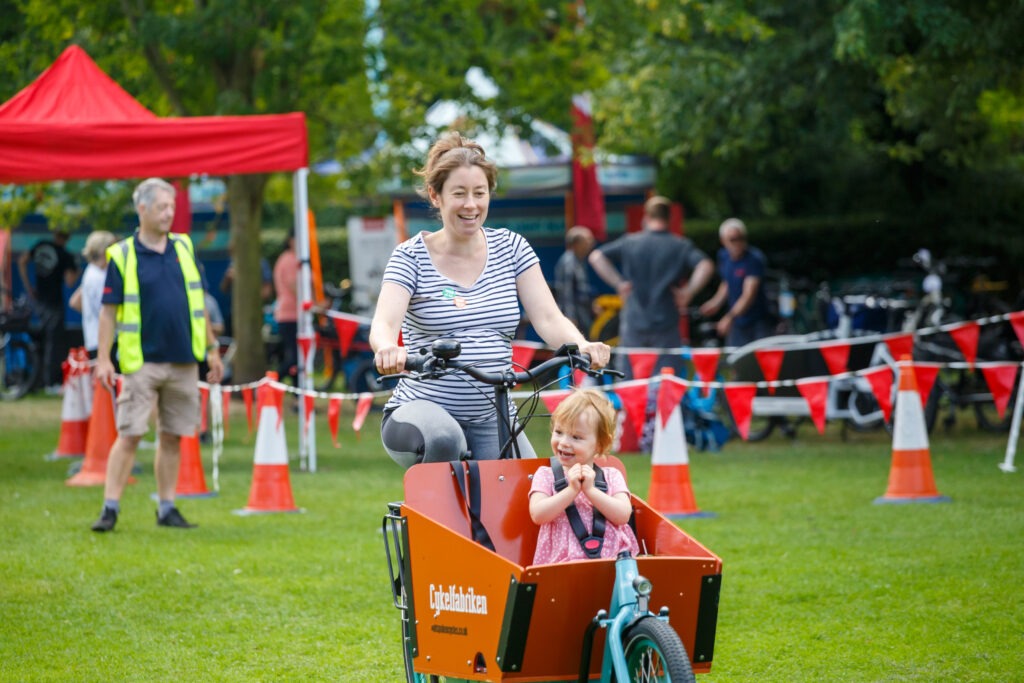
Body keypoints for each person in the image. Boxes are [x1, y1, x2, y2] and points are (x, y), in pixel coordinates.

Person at [370, 131, 611, 467]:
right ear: (435, 195)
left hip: (493, 414)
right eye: (459, 194)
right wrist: (387, 349)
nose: (471, 204)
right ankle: (439, 517)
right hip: (421, 412)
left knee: (535, 491)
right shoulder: (410, 257)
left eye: (479, 193)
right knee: (444, 439)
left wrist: (581, 345)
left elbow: (548, 318)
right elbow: (384, 323)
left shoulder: (511, 248)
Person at [90, 178, 223, 533]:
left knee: (173, 436)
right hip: (141, 363)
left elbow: (200, 304)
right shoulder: (122, 254)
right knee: (130, 433)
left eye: (171, 208)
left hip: (183, 360)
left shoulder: (184, 247)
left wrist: (212, 349)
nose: (169, 214)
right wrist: (103, 358)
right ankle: (110, 508)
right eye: (162, 207)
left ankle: (166, 507)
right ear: (142, 209)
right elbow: (108, 312)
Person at [589, 195, 714, 369]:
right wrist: (689, 291)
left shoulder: (630, 242)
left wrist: (619, 283)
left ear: (646, 217)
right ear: (669, 218)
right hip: (666, 323)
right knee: (667, 381)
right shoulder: (680, 245)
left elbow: (596, 257)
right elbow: (706, 265)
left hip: (633, 321)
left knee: (631, 381)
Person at [529, 389, 639, 564]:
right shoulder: (546, 475)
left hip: (612, 563)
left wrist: (590, 490)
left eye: (576, 437)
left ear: (599, 444)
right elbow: (538, 514)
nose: (564, 442)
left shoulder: (611, 476)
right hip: (561, 565)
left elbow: (623, 515)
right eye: (559, 432)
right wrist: (571, 490)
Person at [18, 229, 79, 392]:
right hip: (54, 303)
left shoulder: (41, 245)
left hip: (38, 302)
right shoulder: (65, 255)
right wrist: (77, 269)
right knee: (54, 342)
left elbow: (22, 260)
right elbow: (70, 282)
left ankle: (35, 380)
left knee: (39, 340)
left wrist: (28, 286)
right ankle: (50, 382)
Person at [699, 218, 773, 347]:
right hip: (738, 322)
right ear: (723, 241)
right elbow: (726, 283)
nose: (738, 243)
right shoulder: (724, 256)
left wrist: (729, 318)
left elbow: (749, 294)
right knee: (736, 362)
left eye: (741, 238)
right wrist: (715, 303)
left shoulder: (754, 259)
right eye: (732, 239)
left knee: (761, 363)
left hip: (757, 321)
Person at [69, 230, 118, 359]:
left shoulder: (91, 271)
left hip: (93, 339)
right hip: (105, 341)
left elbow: (74, 301)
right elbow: (106, 309)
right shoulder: (100, 277)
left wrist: (90, 316)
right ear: (104, 250)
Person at [554, 225, 596, 335]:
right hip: (575, 318)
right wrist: (570, 317)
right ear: (577, 243)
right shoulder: (568, 262)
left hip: (582, 315)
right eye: (588, 240)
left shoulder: (579, 261)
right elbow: (566, 293)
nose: (591, 244)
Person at [272, 235, 298, 384]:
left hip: (291, 314)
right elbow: (292, 284)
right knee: (294, 358)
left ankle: (296, 396)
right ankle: (272, 383)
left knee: (296, 359)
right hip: (290, 314)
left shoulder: (289, 258)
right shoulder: (289, 259)